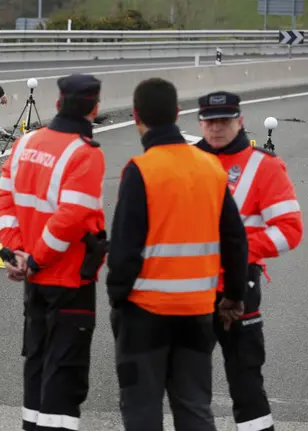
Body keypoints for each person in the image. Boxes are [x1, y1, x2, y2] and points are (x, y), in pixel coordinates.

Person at [106, 78, 249, 430]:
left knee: (142, 409)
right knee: (194, 408)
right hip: (199, 312)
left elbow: (125, 250)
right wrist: (232, 296)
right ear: (178, 113)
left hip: (144, 312)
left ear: (136, 116)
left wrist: (117, 299)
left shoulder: (141, 170)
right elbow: (235, 239)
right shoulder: (210, 168)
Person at [0, 73, 107, 431]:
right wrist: (38, 259)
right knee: (65, 376)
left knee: (37, 366)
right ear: (95, 108)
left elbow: (3, 205)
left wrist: (18, 254)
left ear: (57, 104)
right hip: (68, 279)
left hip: (34, 280)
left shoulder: (25, 144)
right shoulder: (84, 155)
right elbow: (71, 219)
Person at [194, 91, 303, 431]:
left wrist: (239, 251)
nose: (216, 128)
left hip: (239, 289)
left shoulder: (264, 166)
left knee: (245, 381)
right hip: (189, 289)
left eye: (224, 121)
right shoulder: (187, 162)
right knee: (187, 382)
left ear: (239, 121)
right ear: (200, 122)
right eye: (210, 121)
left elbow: (290, 230)